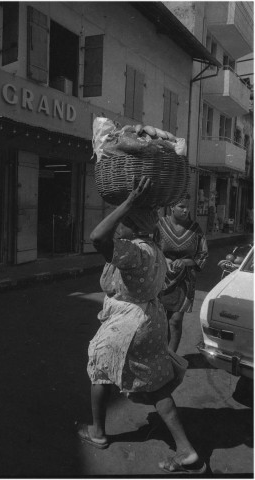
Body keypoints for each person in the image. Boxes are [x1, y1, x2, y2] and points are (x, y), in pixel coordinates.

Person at [76, 177, 206, 474]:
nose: (116, 225)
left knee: (100, 371)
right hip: (150, 321)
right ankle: (185, 450)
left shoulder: (132, 252)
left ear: (130, 224)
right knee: (158, 386)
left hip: (129, 323)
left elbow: (97, 237)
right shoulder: (154, 249)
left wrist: (130, 202)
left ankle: (98, 432)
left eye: (121, 221)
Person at [154, 195, 208, 352]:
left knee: (175, 321)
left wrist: (185, 262)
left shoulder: (195, 229)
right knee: (160, 320)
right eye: (181, 207)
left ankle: (171, 357)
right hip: (161, 278)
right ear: (172, 207)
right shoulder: (160, 225)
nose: (186, 210)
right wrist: (164, 259)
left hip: (184, 281)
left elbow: (203, 254)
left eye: (187, 207)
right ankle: (158, 353)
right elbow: (151, 248)